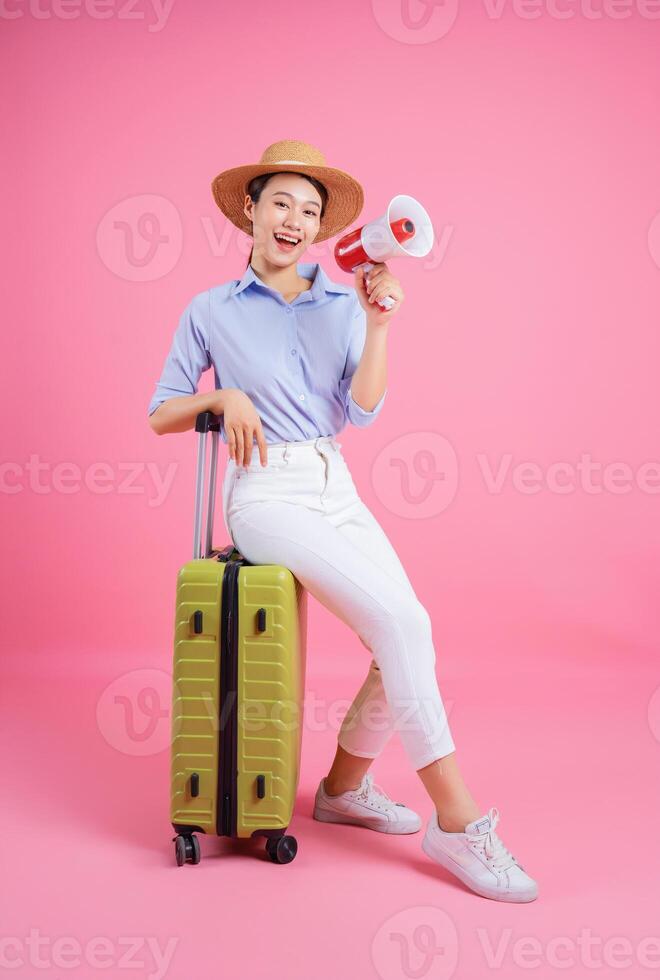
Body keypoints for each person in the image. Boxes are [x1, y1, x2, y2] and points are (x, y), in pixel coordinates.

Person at [147, 139, 538, 903]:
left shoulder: (342, 301)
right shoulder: (209, 311)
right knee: (399, 621)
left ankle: (342, 790)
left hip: (335, 480)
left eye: (311, 210)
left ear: (322, 229)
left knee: (406, 627)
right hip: (265, 492)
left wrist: (381, 323)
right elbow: (162, 411)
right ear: (251, 212)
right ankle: (457, 822)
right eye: (282, 204)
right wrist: (219, 399)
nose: (295, 220)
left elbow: (363, 409)